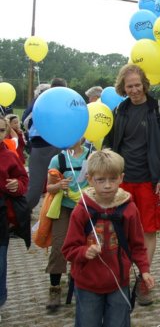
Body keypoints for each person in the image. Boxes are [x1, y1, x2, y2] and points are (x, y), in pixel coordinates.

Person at [103, 64, 160, 306]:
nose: (134, 90)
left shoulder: (159, 110)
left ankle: (144, 278)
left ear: (144, 84)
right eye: (129, 86)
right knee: (119, 230)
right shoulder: (119, 110)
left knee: (148, 230)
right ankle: (122, 274)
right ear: (123, 88)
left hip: (149, 180)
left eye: (137, 85)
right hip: (122, 181)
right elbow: (109, 142)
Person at [62, 149, 154, 327]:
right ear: (89, 179)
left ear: (121, 178)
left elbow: (137, 245)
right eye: (101, 180)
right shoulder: (81, 211)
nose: (107, 185)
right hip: (87, 284)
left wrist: (144, 270)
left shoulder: (129, 209)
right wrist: (83, 251)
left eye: (113, 179)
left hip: (119, 283)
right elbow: (68, 249)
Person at [43, 139, 91, 312]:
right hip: (63, 207)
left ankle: (78, 281)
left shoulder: (91, 156)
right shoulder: (58, 159)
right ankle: (54, 288)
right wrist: (58, 185)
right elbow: (49, 187)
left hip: (85, 208)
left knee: (85, 246)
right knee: (59, 246)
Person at [0, 116, 29, 318]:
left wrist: (16, 185)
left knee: (0, 262)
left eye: (1, 130)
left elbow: (22, 178)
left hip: (0, 216)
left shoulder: (9, 155)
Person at [23, 78, 67, 210]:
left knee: (38, 185)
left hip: (43, 146)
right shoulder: (61, 99)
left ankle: (21, 217)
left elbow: (26, 120)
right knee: (59, 184)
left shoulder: (41, 99)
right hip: (58, 145)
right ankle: (22, 215)